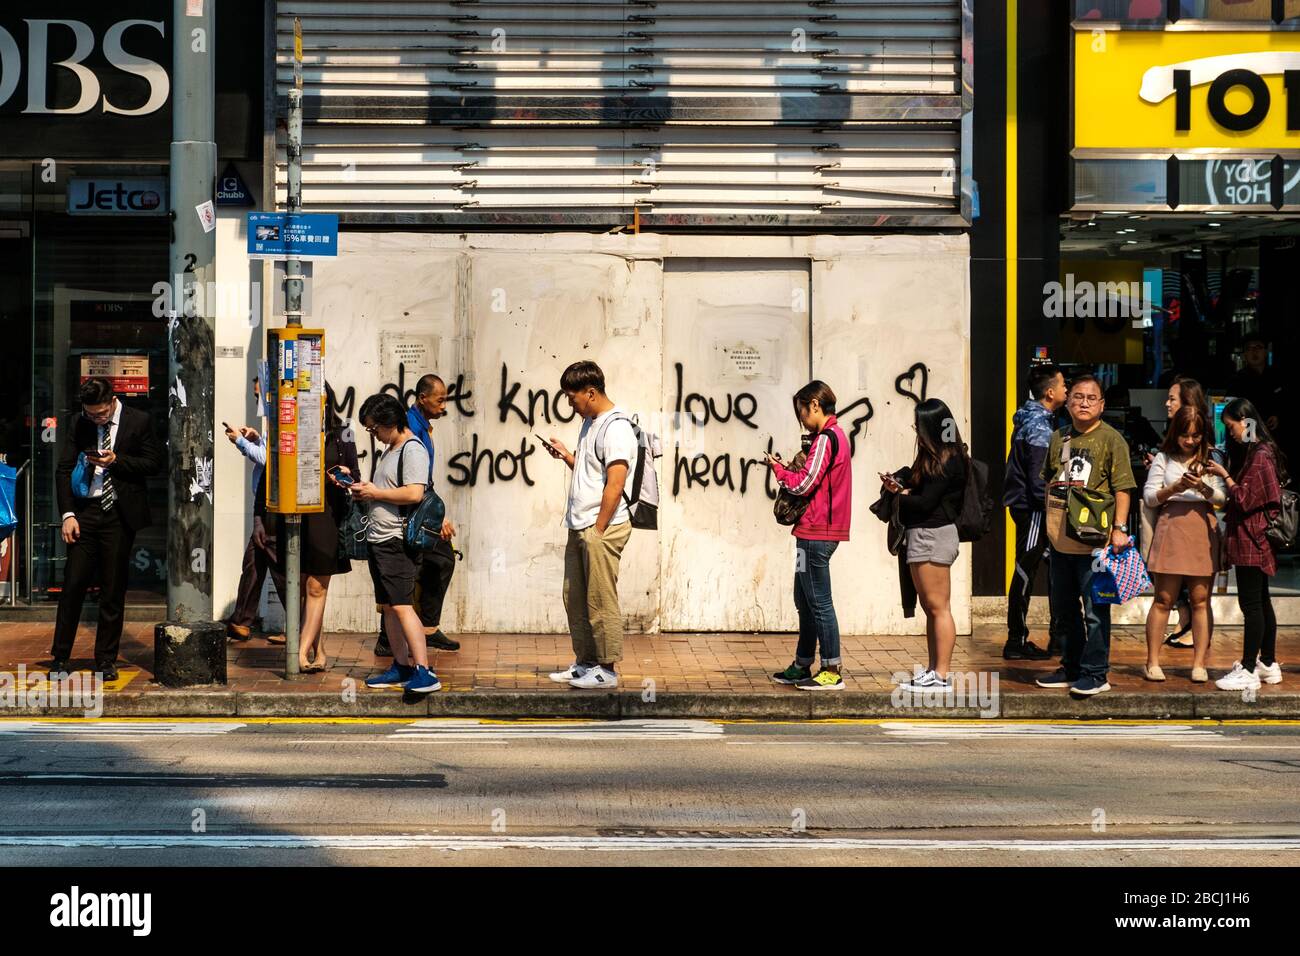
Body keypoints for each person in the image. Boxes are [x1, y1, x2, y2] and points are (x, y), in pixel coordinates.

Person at [51, 377, 165, 681]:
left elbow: (154, 463)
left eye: (100, 414)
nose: (95, 419)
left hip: (118, 513)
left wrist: (117, 461)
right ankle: (61, 656)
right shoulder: (79, 423)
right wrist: (67, 514)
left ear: (112, 401)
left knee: (113, 589)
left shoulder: (138, 421)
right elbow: (63, 469)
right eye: (90, 414)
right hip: (85, 512)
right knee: (73, 585)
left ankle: (106, 659)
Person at [1034, 374, 1138, 698]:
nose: (1083, 402)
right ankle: (1073, 666)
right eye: (1077, 396)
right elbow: (1048, 482)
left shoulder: (1112, 440)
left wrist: (1119, 530)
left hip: (1096, 544)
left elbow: (1123, 489)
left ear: (1102, 405)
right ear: (1067, 401)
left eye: (1091, 398)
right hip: (1061, 539)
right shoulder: (1059, 438)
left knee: (1095, 610)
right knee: (1063, 609)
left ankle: (1096, 673)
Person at [541, 361, 636, 690]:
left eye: (572, 397)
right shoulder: (590, 423)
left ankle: (607, 669)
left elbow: (615, 483)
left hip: (601, 527)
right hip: (580, 524)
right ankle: (586, 663)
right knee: (576, 595)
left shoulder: (616, 427)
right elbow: (591, 472)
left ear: (591, 393)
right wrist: (567, 456)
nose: (570, 403)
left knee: (599, 598)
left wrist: (598, 530)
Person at [765, 381, 852, 691]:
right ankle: (803, 664)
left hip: (818, 533)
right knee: (804, 599)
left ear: (814, 405)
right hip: (809, 533)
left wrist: (778, 471)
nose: (801, 417)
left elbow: (804, 483)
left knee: (819, 602)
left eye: (802, 410)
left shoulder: (827, 439)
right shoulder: (829, 437)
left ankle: (831, 669)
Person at [352, 394, 441, 694]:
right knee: (389, 607)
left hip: (397, 541)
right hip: (380, 539)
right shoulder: (391, 450)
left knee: (403, 606)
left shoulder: (412, 450)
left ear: (390, 422)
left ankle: (424, 670)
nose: (373, 435)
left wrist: (374, 494)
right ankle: (401, 665)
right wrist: (365, 492)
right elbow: (387, 490)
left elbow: (414, 494)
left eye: (374, 428)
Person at [880, 398, 968, 692]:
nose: (916, 431)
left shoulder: (949, 459)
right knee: (931, 608)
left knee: (938, 607)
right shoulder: (934, 457)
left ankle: (941, 674)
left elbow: (927, 502)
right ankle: (933, 670)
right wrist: (902, 486)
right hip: (923, 534)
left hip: (934, 535)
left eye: (919, 426)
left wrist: (900, 495)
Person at [274, 384, 358, 672]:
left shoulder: (343, 431)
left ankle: (298, 652)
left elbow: (355, 474)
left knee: (316, 586)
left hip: (328, 515)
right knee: (302, 584)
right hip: (298, 515)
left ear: (326, 400)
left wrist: (344, 476)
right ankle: (319, 651)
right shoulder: (289, 430)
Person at [1141, 405, 1226, 684]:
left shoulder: (1210, 458)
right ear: (1174, 433)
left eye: (1196, 435)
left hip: (1202, 528)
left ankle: (1199, 663)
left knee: (1201, 600)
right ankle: (1152, 661)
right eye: (1185, 435)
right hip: (1171, 527)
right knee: (1163, 599)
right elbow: (1151, 497)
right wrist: (1175, 488)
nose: (1190, 441)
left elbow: (1222, 499)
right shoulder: (1163, 458)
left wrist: (1202, 486)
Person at [1207, 398, 1288, 692]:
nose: (1230, 433)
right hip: (1255, 538)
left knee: (1251, 605)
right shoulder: (1261, 452)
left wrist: (1224, 475)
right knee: (1262, 603)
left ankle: (1250, 668)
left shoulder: (1260, 455)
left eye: (1231, 426)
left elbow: (1243, 498)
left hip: (1252, 538)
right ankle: (1267, 663)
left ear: (1246, 421)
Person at [375, 373, 459, 656]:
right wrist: (436, 517)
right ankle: (398, 637)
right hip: (413, 509)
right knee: (425, 564)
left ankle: (420, 630)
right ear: (423, 399)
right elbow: (413, 482)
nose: (443, 406)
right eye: (440, 400)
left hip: (420, 504)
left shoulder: (422, 425)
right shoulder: (413, 429)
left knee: (436, 561)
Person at [1002, 363, 1066, 660]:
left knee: (1040, 568)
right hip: (1034, 509)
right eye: (1064, 386)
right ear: (1050, 392)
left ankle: (1057, 636)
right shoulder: (1040, 426)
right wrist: (1052, 507)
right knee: (1025, 569)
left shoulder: (1035, 419)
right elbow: (1038, 477)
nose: (1068, 390)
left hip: (1031, 506)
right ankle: (1016, 640)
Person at [224, 422, 288, 643]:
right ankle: (240, 622)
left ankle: (301, 626)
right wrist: (258, 440)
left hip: (275, 507)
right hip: (264, 505)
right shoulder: (275, 414)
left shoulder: (283, 414)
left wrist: (240, 442)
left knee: (279, 569)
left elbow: (269, 460)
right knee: (253, 563)